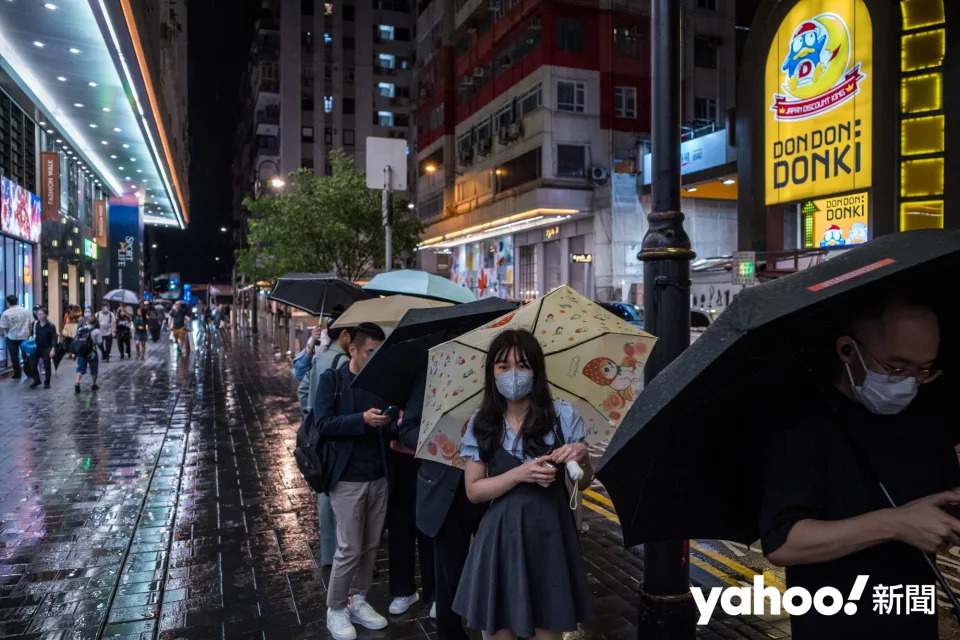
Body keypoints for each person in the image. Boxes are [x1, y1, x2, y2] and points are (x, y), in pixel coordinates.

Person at [760, 290, 959, 640]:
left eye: (923, 370)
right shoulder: (805, 425)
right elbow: (783, 543)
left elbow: (944, 503)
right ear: (847, 350)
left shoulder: (929, 419)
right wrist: (896, 524)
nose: (909, 383)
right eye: (896, 368)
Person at [453, 329, 595, 640]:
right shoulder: (482, 423)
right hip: (500, 538)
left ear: (537, 371)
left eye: (522, 365)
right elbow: (474, 491)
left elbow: (583, 483)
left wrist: (582, 457)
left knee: (547, 632)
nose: (512, 374)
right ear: (492, 372)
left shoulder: (563, 416)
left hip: (551, 537)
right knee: (500, 631)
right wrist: (520, 474)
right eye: (503, 366)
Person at [315, 322, 393, 640]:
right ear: (354, 350)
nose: (375, 359)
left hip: (379, 475)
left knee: (371, 545)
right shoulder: (332, 379)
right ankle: (335, 609)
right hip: (347, 478)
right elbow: (322, 423)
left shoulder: (383, 382)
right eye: (370, 353)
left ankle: (358, 600)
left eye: (379, 354)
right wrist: (361, 420)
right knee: (349, 547)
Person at [399, 369, 483, 636]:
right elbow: (408, 429)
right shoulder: (434, 374)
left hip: (492, 491)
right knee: (448, 580)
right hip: (445, 494)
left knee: (496, 573)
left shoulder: (501, 372)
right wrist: (443, 442)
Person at [292, 313, 353, 567]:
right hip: (337, 434)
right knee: (341, 495)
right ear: (347, 335)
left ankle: (328, 554)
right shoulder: (343, 363)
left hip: (318, 435)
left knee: (325, 493)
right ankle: (344, 554)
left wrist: (310, 415)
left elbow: (302, 389)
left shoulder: (321, 358)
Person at [387, 373, 436, 617]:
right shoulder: (395, 371)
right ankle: (403, 589)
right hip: (400, 460)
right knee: (401, 527)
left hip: (433, 459)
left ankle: (435, 592)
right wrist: (394, 421)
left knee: (430, 526)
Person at [0, 295, 32, 380]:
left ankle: (17, 374)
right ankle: (29, 372)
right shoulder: (25, 310)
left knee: (14, 356)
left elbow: (5, 327)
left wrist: (7, 333)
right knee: (26, 355)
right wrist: (28, 332)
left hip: (12, 337)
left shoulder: (6, 313)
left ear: (8, 302)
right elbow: (30, 323)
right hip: (24, 336)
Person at [28, 308, 57, 389]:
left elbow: (54, 338)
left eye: (41, 314)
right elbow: (32, 334)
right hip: (36, 347)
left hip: (46, 347)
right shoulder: (35, 324)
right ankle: (37, 380)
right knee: (32, 363)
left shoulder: (51, 326)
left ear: (45, 315)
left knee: (47, 364)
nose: (39, 316)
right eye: (38, 314)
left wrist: (53, 349)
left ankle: (47, 382)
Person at [75, 313, 103, 393]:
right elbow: (100, 343)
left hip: (82, 351)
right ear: (95, 323)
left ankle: (77, 382)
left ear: (87, 321)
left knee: (80, 368)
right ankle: (93, 384)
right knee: (94, 368)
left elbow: (77, 339)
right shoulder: (97, 331)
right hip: (92, 352)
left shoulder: (81, 329)